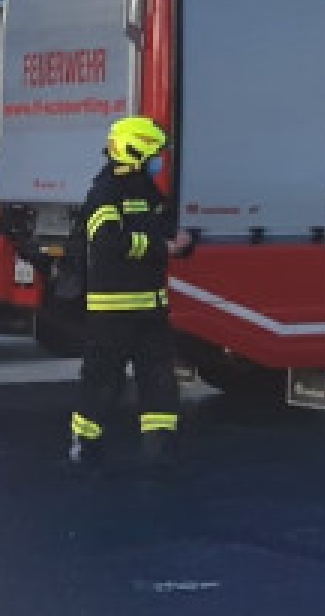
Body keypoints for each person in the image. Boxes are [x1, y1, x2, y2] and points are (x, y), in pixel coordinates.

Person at [69, 115, 194, 469]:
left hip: (151, 309)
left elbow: (167, 229)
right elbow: (107, 241)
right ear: (135, 151)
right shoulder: (104, 192)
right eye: (155, 154)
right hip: (112, 311)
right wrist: (161, 247)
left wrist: (182, 243)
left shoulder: (148, 191)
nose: (159, 162)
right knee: (103, 381)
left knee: (159, 381)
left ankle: (160, 452)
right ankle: (86, 445)